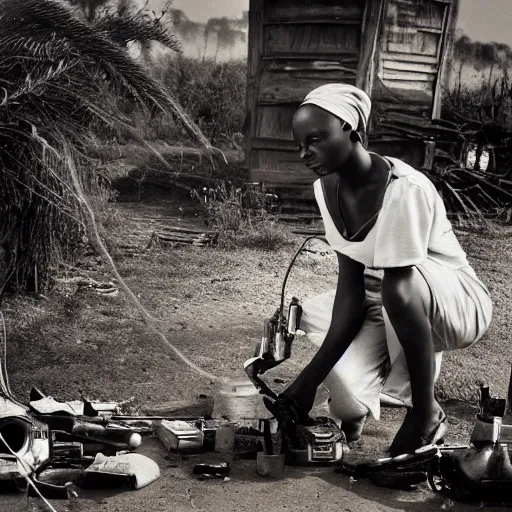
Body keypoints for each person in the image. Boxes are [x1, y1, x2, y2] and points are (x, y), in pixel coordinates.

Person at [280, 83, 493, 456]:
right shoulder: (325, 190)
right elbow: (351, 292)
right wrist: (306, 384)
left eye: (315, 139)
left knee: (397, 286)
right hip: (388, 301)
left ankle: (425, 412)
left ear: (350, 128)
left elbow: (403, 283)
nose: (305, 153)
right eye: (300, 144)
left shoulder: (404, 188)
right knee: (340, 385)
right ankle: (356, 411)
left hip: (454, 301)